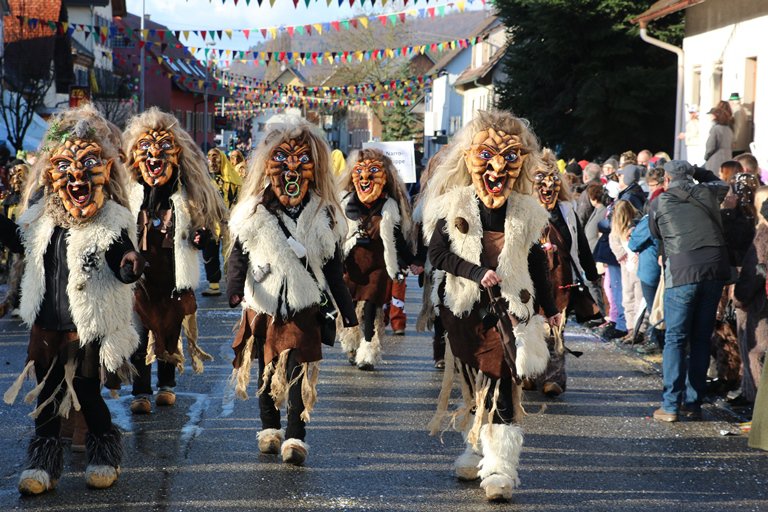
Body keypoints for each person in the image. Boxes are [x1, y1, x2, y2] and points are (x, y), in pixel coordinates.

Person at [2, 105, 145, 494]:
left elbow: (121, 257)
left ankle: (104, 454)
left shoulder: (111, 219)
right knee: (48, 395)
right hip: (49, 322)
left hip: (87, 325)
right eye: (66, 166)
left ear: (104, 172)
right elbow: (16, 240)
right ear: (51, 174)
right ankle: (43, 465)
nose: (77, 176)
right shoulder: (40, 219)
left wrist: (130, 264)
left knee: (86, 391)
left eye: (88, 165)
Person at [423, 110, 556, 502]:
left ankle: (500, 467)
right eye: (487, 156)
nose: (498, 167)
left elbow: (537, 263)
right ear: (468, 158)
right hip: (463, 309)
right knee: (473, 381)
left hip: (510, 309)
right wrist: (475, 271)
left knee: (501, 379)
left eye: (510, 157)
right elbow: (437, 254)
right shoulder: (452, 203)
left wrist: (550, 307)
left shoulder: (529, 211)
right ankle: (476, 444)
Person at [226, 114, 357, 465]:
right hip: (264, 304)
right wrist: (234, 288)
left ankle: (296, 437)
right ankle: (269, 428)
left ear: (314, 168)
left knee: (300, 372)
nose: (291, 170)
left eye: (302, 162)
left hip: (304, 306)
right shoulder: (252, 212)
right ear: (269, 167)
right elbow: (238, 254)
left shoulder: (323, 214)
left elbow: (333, 266)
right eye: (282, 160)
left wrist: (347, 310)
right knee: (267, 371)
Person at [123, 108, 226, 414]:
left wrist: (200, 237)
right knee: (139, 337)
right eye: (146, 151)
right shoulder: (129, 195)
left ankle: (166, 385)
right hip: (139, 282)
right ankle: (140, 391)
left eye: (163, 150)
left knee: (169, 333)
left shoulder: (186, 197)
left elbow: (206, 233)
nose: (154, 157)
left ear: (177, 157)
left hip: (173, 280)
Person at [649, 160, 730, 422]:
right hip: (715, 269)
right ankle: (693, 404)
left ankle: (671, 405)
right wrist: (699, 172)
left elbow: (655, 234)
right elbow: (723, 184)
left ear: (666, 180)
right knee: (700, 338)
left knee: (675, 338)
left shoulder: (660, 202)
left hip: (683, 269)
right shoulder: (708, 192)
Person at [337, 148, 418, 371]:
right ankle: (351, 342)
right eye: (361, 172)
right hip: (352, 262)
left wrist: (412, 260)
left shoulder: (390, 205)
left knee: (372, 306)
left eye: (373, 172)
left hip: (379, 263)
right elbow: (335, 233)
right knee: (351, 305)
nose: (365, 178)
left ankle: (368, 348)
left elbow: (398, 237)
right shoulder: (345, 202)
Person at [531, 149, 599, 396]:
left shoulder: (567, 211)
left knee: (556, 328)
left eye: (552, 181)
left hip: (560, 279)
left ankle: (553, 377)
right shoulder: (523, 209)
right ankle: (529, 372)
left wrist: (592, 275)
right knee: (530, 328)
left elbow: (580, 243)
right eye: (541, 181)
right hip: (529, 280)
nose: (547, 188)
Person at [628, 166, 665, 354]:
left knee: (654, 307)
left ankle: (657, 343)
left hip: (650, 267)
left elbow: (634, 243)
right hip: (664, 266)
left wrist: (633, 232)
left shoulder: (651, 214)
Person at [611, 200, 642, 342]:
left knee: (634, 298)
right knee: (631, 297)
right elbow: (614, 242)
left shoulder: (636, 225)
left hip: (635, 266)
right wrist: (621, 254)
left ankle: (637, 329)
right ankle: (632, 329)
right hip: (628, 266)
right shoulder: (617, 230)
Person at [704, 107, 734, 174]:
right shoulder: (729, 129)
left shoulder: (715, 129)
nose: (710, 117)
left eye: (711, 115)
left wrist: (706, 156)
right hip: (727, 158)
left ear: (715, 116)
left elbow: (711, 145)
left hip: (715, 159)